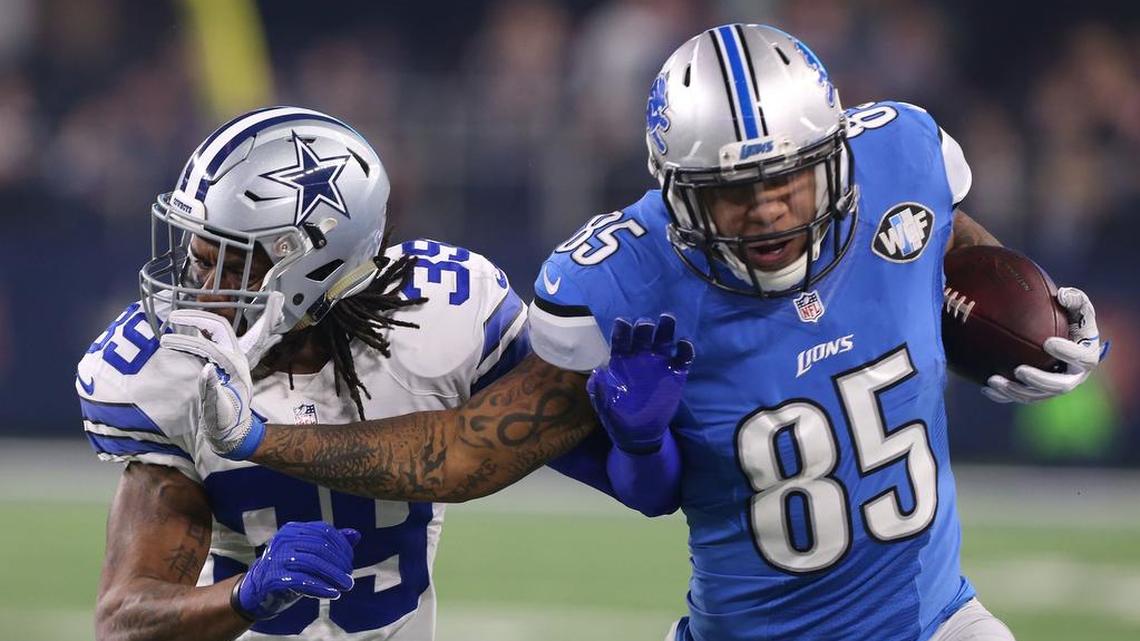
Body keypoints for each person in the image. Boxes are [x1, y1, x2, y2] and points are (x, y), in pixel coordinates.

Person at [174, 26, 1105, 641]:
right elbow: (463, 452)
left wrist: (1017, 313)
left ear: (837, 155)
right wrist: (260, 439)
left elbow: (940, 228)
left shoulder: (900, 152)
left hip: (939, 618)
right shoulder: (618, 284)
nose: (770, 208)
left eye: (789, 176)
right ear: (675, 193)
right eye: (732, 190)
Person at [76, 106, 617, 641]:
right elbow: (125, 622)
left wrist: (630, 427)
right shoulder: (164, 368)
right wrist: (244, 595)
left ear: (317, 265)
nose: (204, 291)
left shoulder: (441, 314)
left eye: (235, 266)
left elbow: (541, 438)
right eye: (200, 259)